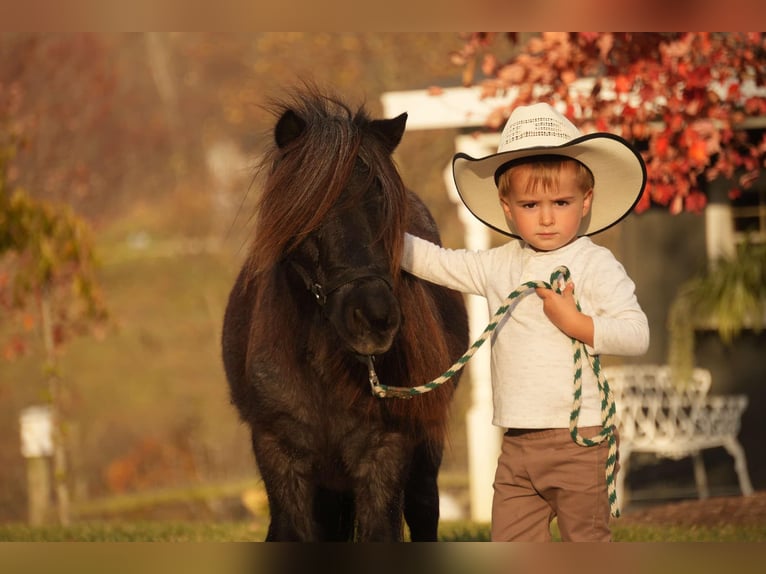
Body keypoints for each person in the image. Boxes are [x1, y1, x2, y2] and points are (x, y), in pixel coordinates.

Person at [401, 103, 650, 542]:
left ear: (586, 200)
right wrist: (380, 232)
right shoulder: (499, 265)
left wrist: (577, 323)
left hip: (580, 440)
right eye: (531, 204)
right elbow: (435, 262)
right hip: (517, 443)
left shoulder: (594, 264)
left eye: (562, 202)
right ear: (508, 206)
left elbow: (637, 334)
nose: (548, 217)